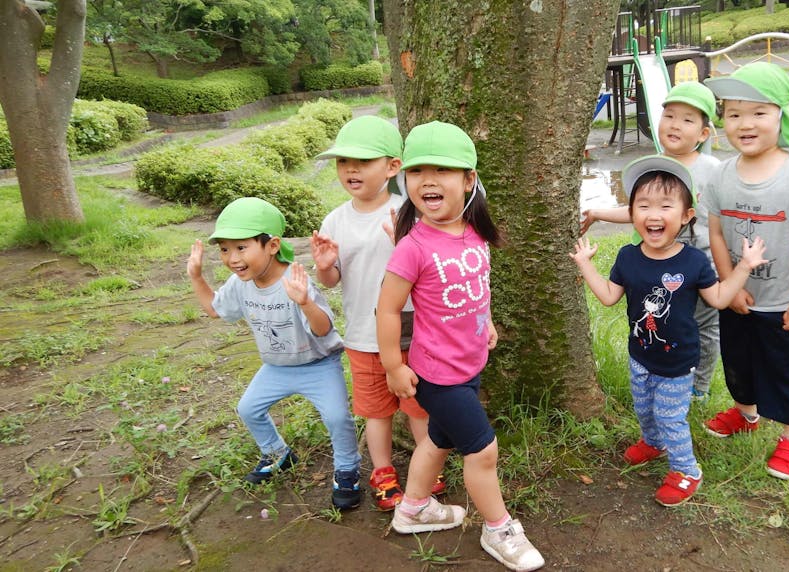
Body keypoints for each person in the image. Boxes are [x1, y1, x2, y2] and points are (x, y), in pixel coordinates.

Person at [377, 121, 544, 571]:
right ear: (405, 180)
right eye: (417, 172)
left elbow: (478, 285)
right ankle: (499, 529)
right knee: (482, 450)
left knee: (439, 439)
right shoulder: (412, 247)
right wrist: (394, 366)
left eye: (443, 170)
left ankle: (412, 510)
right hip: (436, 374)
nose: (428, 180)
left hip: (469, 364)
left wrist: (485, 319)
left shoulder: (473, 233)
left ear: (469, 179)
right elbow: (388, 310)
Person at [570, 155, 768, 506]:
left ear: (686, 216)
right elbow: (608, 297)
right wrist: (585, 265)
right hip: (640, 356)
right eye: (643, 205)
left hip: (677, 363)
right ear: (632, 215)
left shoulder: (693, 261)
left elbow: (720, 299)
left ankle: (687, 470)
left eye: (665, 205)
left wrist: (745, 268)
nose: (653, 214)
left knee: (669, 416)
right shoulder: (627, 257)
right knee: (644, 409)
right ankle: (653, 442)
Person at [186, 197, 362, 510]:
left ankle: (347, 469)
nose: (232, 258)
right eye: (224, 249)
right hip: (277, 367)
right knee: (248, 408)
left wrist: (305, 301)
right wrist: (197, 277)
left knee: (337, 417)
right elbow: (215, 310)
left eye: (241, 248)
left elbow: (323, 330)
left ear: (272, 245)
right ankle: (279, 455)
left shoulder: (294, 280)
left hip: (318, 364)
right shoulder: (241, 284)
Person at [700, 62, 789, 480]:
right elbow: (717, 234)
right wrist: (728, 285)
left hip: (781, 304)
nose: (745, 123)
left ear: (781, 116)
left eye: (759, 112)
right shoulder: (721, 175)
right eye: (734, 114)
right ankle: (746, 412)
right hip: (738, 297)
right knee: (738, 361)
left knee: (786, 369)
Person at [310, 116, 443, 511]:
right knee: (375, 409)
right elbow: (333, 280)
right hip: (363, 335)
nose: (351, 169)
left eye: (362, 161)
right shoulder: (335, 219)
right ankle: (382, 470)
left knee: (418, 405)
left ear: (391, 167)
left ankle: (427, 463)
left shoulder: (409, 212)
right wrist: (324, 265)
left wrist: (403, 242)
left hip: (411, 332)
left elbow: (432, 270)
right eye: (343, 162)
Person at [581, 81, 723, 401]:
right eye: (669, 116)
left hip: (700, 264)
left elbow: (726, 217)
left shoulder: (712, 170)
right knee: (665, 320)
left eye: (688, 120)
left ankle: (698, 386)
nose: (675, 125)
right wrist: (597, 212)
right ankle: (661, 374)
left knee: (704, 326)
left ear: (703, 134)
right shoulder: (654, 167)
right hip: (657, 265)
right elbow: (638, 212)